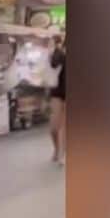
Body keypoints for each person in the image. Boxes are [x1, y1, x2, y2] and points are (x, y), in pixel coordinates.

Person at [49, 35, 66, 165]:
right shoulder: (59, 52)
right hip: (57, 91)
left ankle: (61, 154)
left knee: (63, 127)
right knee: (54, 127)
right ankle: (57, 149)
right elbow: (52, 65)